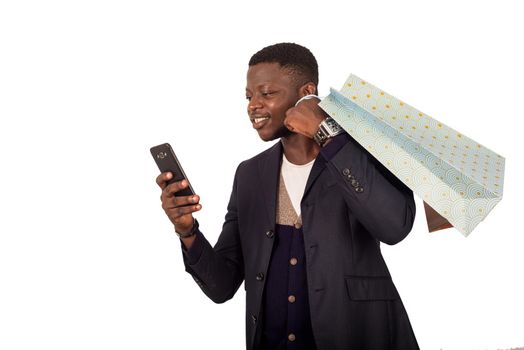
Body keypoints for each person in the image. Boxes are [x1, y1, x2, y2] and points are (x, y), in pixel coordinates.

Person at [156, 43, 419, 350]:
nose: (253, 105)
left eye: (266, 93)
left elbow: (395, 228)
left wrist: (328, 134)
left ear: (307, 91)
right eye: (249, 96)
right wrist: (187, 231)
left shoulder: (362, 152)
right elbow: (222, 286)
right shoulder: (250, 175)